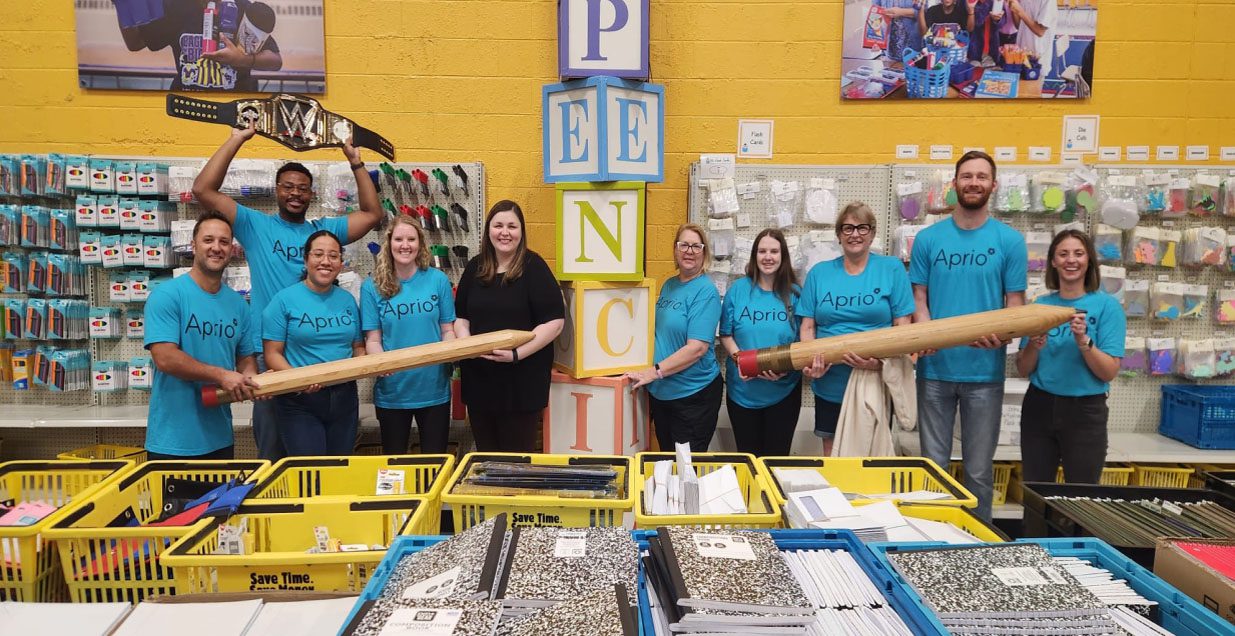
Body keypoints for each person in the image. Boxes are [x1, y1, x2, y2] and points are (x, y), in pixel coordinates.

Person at [193, 123, 384, 461]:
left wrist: (355, 161)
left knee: (324, 458)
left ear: (312, 194)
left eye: (303, 188)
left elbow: (372, 214)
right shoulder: (256, 225)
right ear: (277, 190)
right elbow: (203, 189)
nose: (295, 193)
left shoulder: (324, 232)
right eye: (288, 187)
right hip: (273, 357)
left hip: (319, 362)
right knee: (274, 453)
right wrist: (237, 139)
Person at [910, 150, 1027, 521]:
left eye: (981, 176)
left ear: (993, 185)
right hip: (934, 371)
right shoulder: (928, 239)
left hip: (984, 374)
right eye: (967, 176)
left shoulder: (1010, 241)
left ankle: (977, 542)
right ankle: (929, 541)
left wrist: (1003, 335)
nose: (973, 183)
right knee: (933, 469)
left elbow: (1015, 305)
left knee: (978, 472)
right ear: (954, 183)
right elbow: (919, 298)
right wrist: (927, 335)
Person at [799, 203, 914, 455]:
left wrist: (880, 363)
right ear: (839, 235)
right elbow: (807, 327)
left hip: (874, 381)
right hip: (830, 384)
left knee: (871, 457)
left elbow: (903, 327)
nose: (855, 234)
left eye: (862, 228)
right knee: (833, 457)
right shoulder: (819, 274)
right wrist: (811, 362)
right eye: (848, 228)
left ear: (872, 234)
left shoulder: (891, 269)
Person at [144, 211, 258, 460]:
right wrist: (221, 375)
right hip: (173, 443)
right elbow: (165, 358)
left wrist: (253, 382)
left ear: (231, 249)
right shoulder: (167, 295)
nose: (216, 247)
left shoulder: (238, 305)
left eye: (224, 242)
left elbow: (246, 359)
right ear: (193, 246)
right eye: (208, 240)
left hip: (220, 438)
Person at [455, 201, 565, 452]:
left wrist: (516, 354)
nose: (505, 232)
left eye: (512, 226)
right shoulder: (474, 268)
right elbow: (461, 318)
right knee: (486, 456)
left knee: (516, 460)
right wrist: (468, 345)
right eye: (498, 225)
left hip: (521, 383)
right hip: (480, 381)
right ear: (488, 230)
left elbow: (555, 322)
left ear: (521, 231)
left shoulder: (534, 267)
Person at [1015, 230, 1124, 484]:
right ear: (1053, 261)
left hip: (1085, 411)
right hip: (1039, 407)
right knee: (1036, 490)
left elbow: (1109, 372)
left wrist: (1084, 342)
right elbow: (1023, 368)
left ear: (1089, 260)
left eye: (1078, 253)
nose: (1071, 260)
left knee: (1081, 493)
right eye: (1063, 254)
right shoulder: (1039, 305)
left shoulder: (1107, 307)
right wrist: (1034, 346)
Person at [262, 231, 364, 456]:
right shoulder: (283, 300)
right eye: (318, 254)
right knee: (311, 470)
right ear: (305, 259)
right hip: (300, 400)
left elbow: (358, 347)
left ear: (341, 263)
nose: (326, 261)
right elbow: (272, 354)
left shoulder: (348, 300)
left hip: (345, 397)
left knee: (339, 468)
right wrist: (300, 380)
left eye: (333, 256)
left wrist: (365, 364)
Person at [361, 215, 457, 455]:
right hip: (393, 391)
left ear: (420, 243)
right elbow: (373, 339)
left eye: (411, 239)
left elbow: (448, 330)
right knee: (395, 465)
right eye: (399, 239)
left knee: (435, 464)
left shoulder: (438, 280)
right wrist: (381, 362)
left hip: (434, 389)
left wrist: (450, 352)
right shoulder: (372, 286)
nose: (405, 245)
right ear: (389, 242)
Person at [626, 224, 723, 453]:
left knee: (686, 467)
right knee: (667, 462)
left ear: (704, 253)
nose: (689, 251)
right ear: (675, 250)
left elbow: (697, 349)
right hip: (663, 394)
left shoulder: (706, 291)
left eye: (696, 246)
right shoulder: (669, 284)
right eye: (684, 245)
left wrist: (654, 372)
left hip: (692, 396)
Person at [718, 229, 802, 457]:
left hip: (784, 393)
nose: (768, 257)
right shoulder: (737, 291)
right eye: (762, 251)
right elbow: (726, 334)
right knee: (748, 460)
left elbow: (802, 340)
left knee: (775, 461)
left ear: (783, 256)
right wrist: (741, 361)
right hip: (742, 393)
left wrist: (785, 369)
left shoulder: (795, 294)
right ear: (754, 255)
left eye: (774, 251)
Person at [113, 0, 282, 91]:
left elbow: (275, 61)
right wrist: (122, 5)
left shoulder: (242, 8)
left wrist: (241, 60)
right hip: (186, 107)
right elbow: (135, 43)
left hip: (234, 109)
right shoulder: (175, 8)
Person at [1008, 0, 1057, 65]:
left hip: (1038, 58)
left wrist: (1019, 11)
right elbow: (1019, 26)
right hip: (1021, 55)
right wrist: (1014, 9)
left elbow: (1040, 31)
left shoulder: (1049, 1)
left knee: (1035, 70)